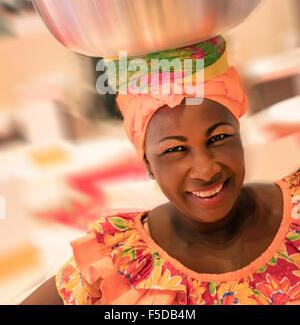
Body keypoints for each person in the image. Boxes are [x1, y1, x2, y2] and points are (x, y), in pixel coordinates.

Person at [21, 36, 300, 305]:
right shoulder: (116, 261)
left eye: (218, 138)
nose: (205, 169)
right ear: (147, 164)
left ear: (240, 133)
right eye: (174, 150)